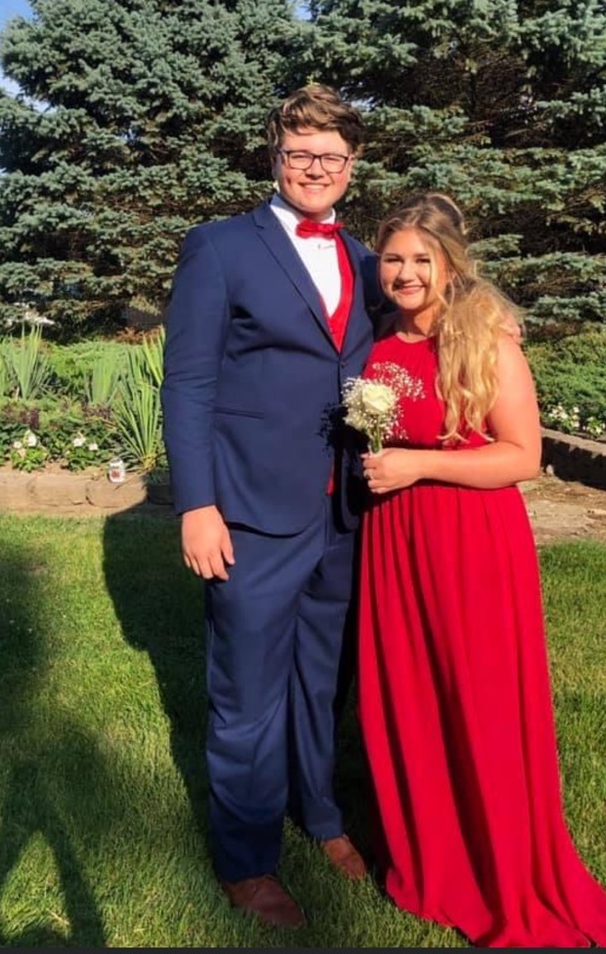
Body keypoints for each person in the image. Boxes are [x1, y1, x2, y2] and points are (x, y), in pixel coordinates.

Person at [354, 193, 606, 947]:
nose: (405, 273)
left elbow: (523, 457)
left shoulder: (485, 340)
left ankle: (503, 869)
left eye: (421, 260)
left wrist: (416, 465)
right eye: (394, 259)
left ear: (450, 266)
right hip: (395, 543)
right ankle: (430, 860)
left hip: (470, 544)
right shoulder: (380, 340)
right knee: (410, 697)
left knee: (479, 703)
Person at [160, 83, 382, 930]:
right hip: (249, 509)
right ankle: (246, 859)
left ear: (352, 167)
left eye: (331, 155)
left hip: (343, 510)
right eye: (300, 153)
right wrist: (197, 504)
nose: (315, 167)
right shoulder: (220, 247)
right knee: (248, 690)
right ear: (274, 157)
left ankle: (318, 814)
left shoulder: (367, 258)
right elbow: (190, 382)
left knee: (321, 679)